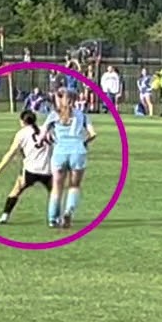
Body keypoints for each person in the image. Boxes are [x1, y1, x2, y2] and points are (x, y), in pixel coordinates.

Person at [44, 89, 97, 229]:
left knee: (56, 187)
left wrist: (51, 140)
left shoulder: (53, 115)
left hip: (60, 151)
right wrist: (84, 142)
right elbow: (93, 134)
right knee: (74, 185)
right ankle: (68, 211)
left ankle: (52, 219)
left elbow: (42, 136)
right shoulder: (82, 115)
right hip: (78, 151)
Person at [0, 110, 53, 224]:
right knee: (54, 193)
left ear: (22, 121)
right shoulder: (45, 130)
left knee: (16, 191)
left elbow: (10, 154)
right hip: (47, 170)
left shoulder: (22, 134)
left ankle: (5, 216)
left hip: (30, 170)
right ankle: (56, 218)